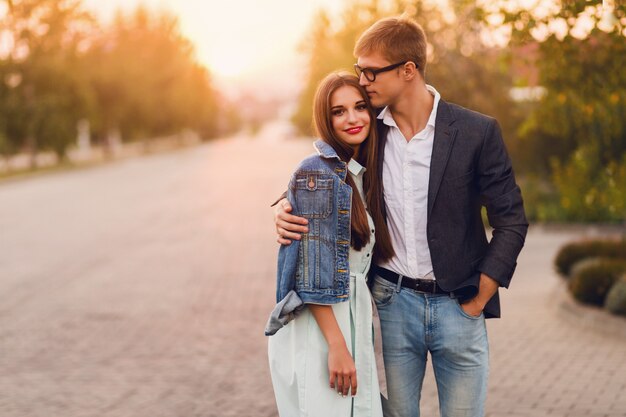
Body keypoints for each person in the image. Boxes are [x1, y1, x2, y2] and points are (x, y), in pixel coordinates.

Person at [274, 16, 529, 417]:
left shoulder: (476, 132)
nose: (364, 80)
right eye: (360, 70)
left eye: (371, 71)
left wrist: (480, 297)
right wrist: (287, 212)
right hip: (393, 303)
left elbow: (512, 220)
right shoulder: (367, 130)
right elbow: (322, 178)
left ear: (407, 70)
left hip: (460, 306)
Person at [265, 72, 395, 417]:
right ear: (326, 118)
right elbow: (311, 279)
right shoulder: (318, 174)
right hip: (321, 322)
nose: (352, 118)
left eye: (359, 107)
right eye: (339, 112)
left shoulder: (357, 172)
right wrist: (337, 346)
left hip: (347, 314)